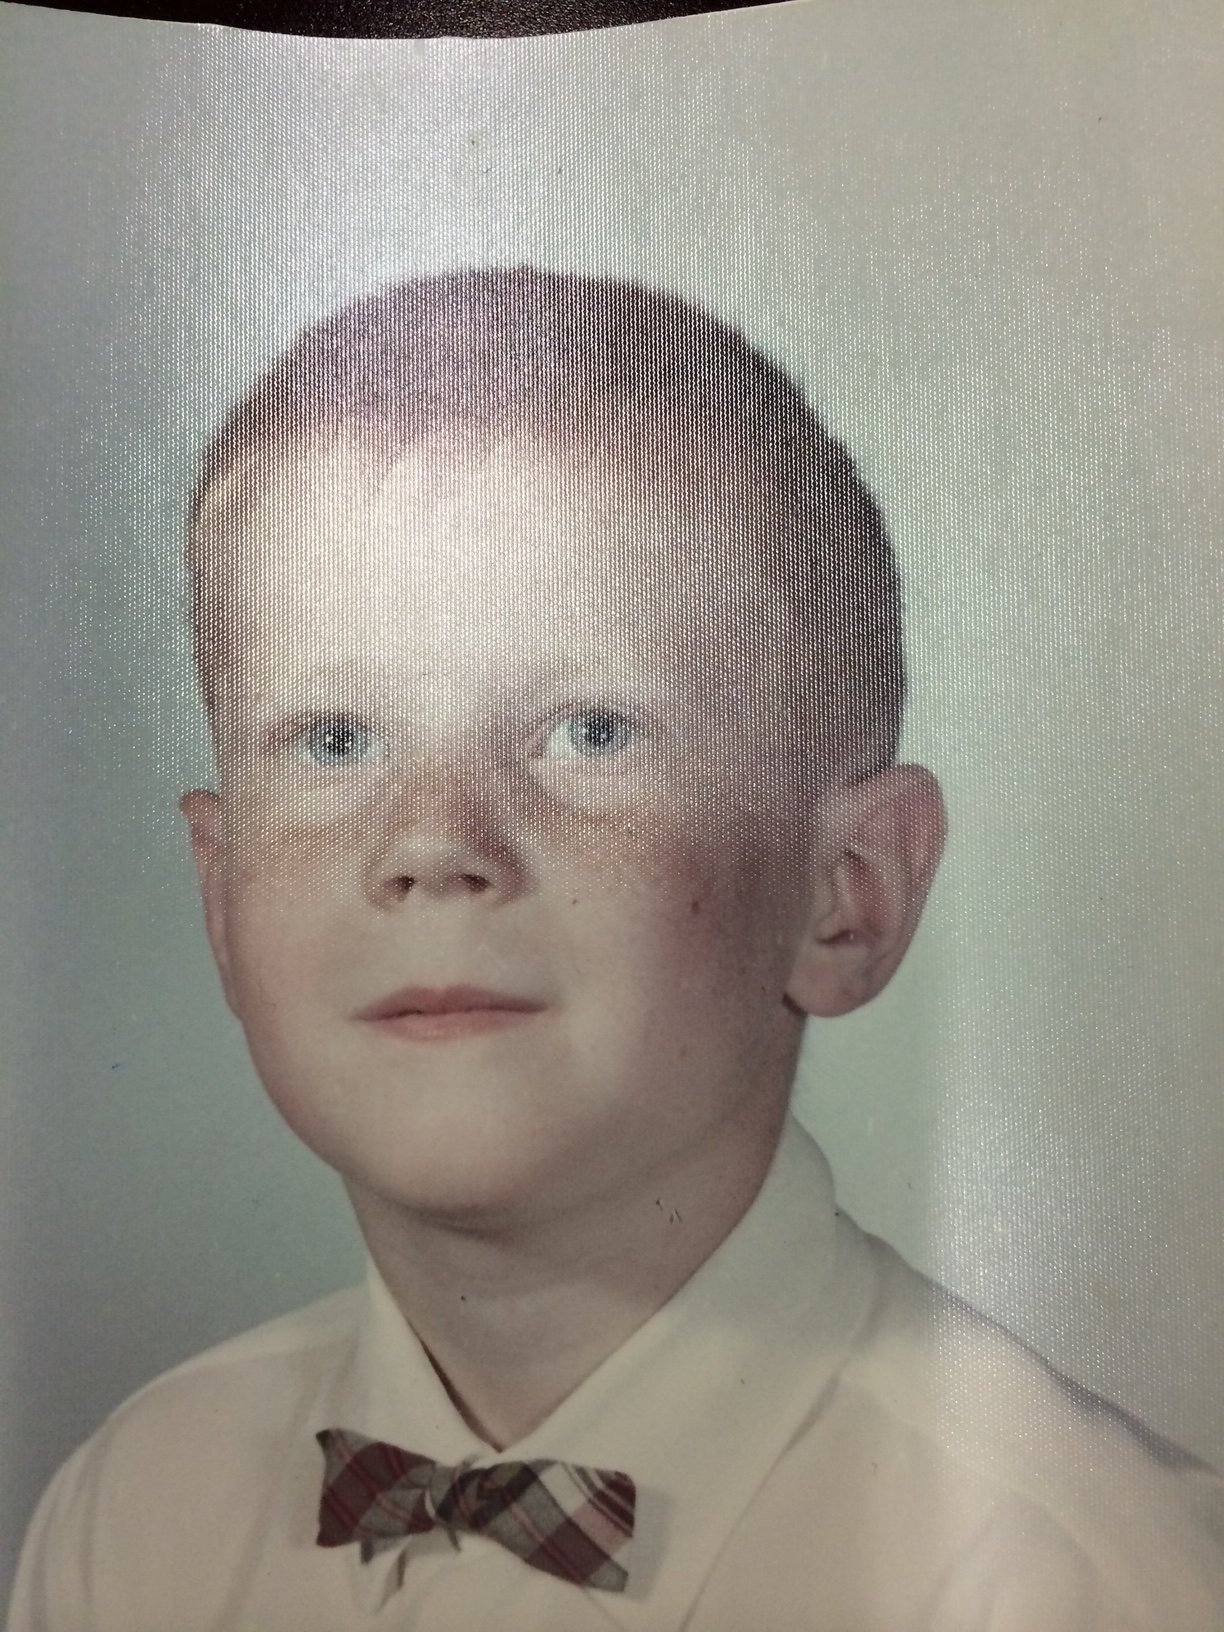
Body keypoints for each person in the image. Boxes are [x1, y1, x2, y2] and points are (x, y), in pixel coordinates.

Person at [8, 268, 1223, 1631]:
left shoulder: (1094, 1585)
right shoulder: (130, 1518)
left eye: (590, 730)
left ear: (847, 893)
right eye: (335, 739)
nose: (432, 842)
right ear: (222, 898)